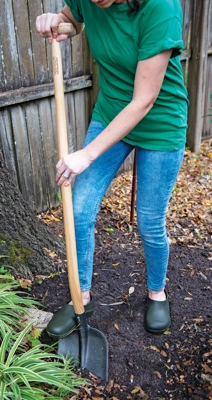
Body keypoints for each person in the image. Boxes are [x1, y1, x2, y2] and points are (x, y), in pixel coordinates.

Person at [36, 0, 188, 336]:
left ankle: (156, 292)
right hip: (111, 115)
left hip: (159, 123)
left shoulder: (161, 8)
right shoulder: (87, 0)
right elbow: (71, 21)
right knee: (78, 209)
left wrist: (86, 154)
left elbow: (144, 100)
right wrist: (55, 22)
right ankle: (82, 295)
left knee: (150, 220)